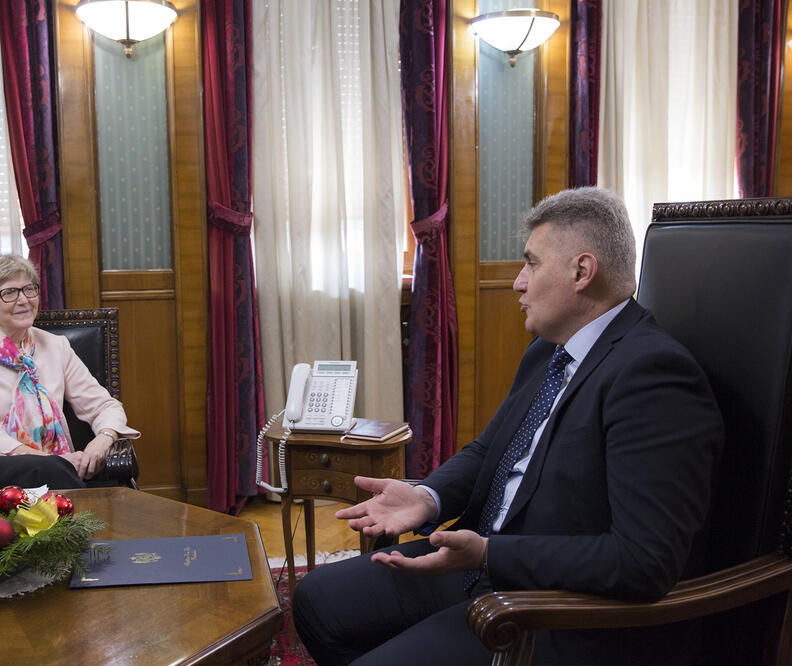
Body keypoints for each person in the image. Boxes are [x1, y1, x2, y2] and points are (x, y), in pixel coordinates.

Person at [292, 188, 723, 665]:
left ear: (582, 272)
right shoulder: (550, 349)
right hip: (480, 564)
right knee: (316, 600)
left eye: (531, 264)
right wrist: (427, 496)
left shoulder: (654, 377)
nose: (518, 282)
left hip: (556, 607)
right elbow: (490, 450)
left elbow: (643, 562)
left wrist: (488, 554)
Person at [0, 254, 140, 491]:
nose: (24, 300)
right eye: (9, 293)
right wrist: (44, 459)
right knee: (44, 470)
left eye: (29, 289)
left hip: (54, 470)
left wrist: (102, 441)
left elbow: (104, 406)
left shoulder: (56, 346)